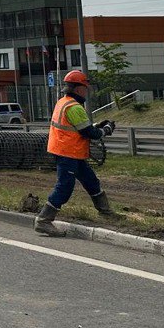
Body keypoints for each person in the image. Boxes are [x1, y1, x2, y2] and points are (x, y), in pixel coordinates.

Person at [34, 69, 117, 236]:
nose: (86, 91)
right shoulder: (74, 107)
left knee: (91, 180)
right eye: (85, 87)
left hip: (69, 151)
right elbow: (89, 134)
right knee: (65, 185)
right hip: (68, 152)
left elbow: (78, 129)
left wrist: (95, 126)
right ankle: (44, 220)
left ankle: (106, 212)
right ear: (79, 89)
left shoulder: (63, 102)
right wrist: (106, 130)